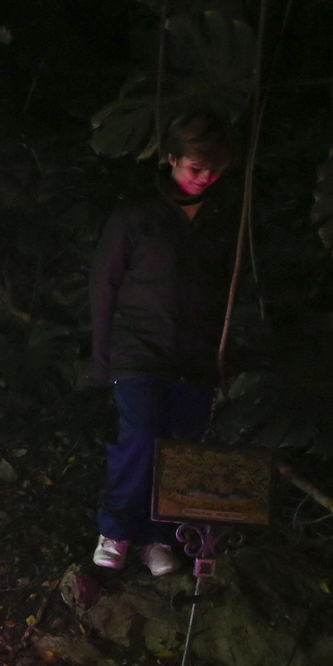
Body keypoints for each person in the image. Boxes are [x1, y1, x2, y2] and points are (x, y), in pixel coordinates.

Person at [88, 109, 239, 575]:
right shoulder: (136, 216)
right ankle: (116, 531)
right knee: (141, 437)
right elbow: (103, 284)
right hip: (139, 350)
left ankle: (159, 539)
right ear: (172, 159)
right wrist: (100, 355)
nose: (205, 177)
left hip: (195, 357)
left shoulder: (224, 218)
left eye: (214, 170)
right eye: (196, 167)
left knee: (180, 448)